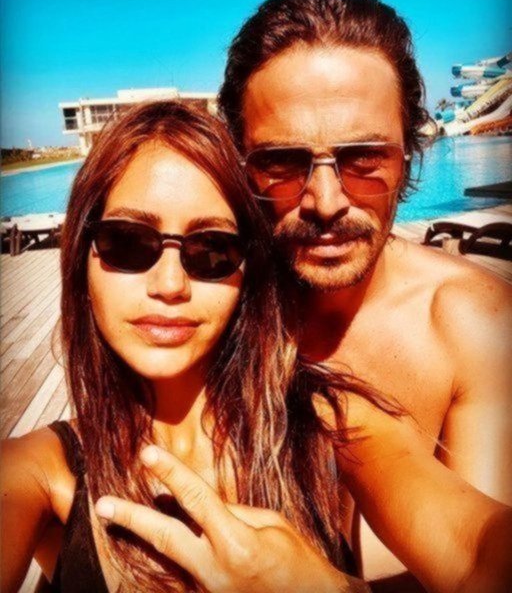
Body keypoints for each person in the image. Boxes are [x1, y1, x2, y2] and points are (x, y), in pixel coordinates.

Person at [1, 101, 511, 593]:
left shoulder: (330, 423)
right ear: (82, 258)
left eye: (212, 249)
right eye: (129, 243)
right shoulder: (39, 471)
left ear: (247, 272)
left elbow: (477, 550)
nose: (170, 285)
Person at [218, 0, 512, 588]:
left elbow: (482, 555)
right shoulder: (210, 304)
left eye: (364, 159)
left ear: (410, 157)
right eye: (282, 162)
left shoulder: (471, 322)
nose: (325, 202)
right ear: (240, 163)